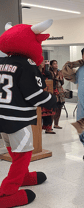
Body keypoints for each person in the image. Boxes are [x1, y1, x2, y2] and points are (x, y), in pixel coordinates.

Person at [0, 19, 57, 207]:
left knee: (14, 149)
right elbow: (34, 95)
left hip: (2, 117)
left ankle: (23, 175)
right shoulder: (27, 65)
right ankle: (7, 191)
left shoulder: (2, 62)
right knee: (24, 153)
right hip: (18, 119)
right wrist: (52, 100)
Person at [39, 60, 56, 134]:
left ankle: (48, 128)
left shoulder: (47, 73)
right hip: (38, 95)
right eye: (40, 62)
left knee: (48, 112)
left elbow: (51, 83)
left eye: (43, 62)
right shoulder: (34, 72)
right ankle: (38, 129)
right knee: (39, 113)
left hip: (47, 94)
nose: (42, 64)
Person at [49, 60, 65, 129]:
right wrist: (57, 76)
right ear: (51, 65)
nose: (56, 65)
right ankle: (49, 125)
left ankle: (56, 124)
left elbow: (62, 82)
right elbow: (53, 80)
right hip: (53, 92)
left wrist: (60, 76)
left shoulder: (60, 72)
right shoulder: (49, 72)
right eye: (54, 64)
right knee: (53, 109)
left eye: (56, 63)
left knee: (59, 108)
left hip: (60, 92)